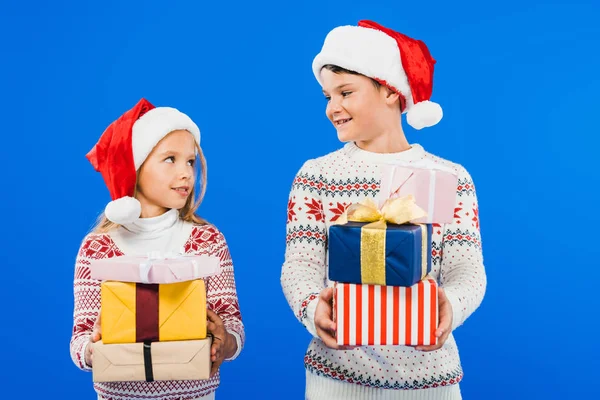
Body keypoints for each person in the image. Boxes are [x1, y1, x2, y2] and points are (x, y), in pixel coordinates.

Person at [281, 20, 486, 399]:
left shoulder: (451, 178)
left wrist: (450, 308)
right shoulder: (317, 176)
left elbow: (467, 270)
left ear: (390, 91)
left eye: (346, 92)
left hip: (430, 382)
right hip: (336, 380)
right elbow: (300, 266)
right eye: (327, 96)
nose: (333, 107)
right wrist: (313, 309)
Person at [70, 98, 244, 400]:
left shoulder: (208, 241)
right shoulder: (98, 248)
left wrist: (225, 341)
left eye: (190, 161)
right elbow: (80, 339)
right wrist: (92, 347)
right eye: (170, 159)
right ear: (135, 167)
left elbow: (231, 323)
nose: (186, 172)